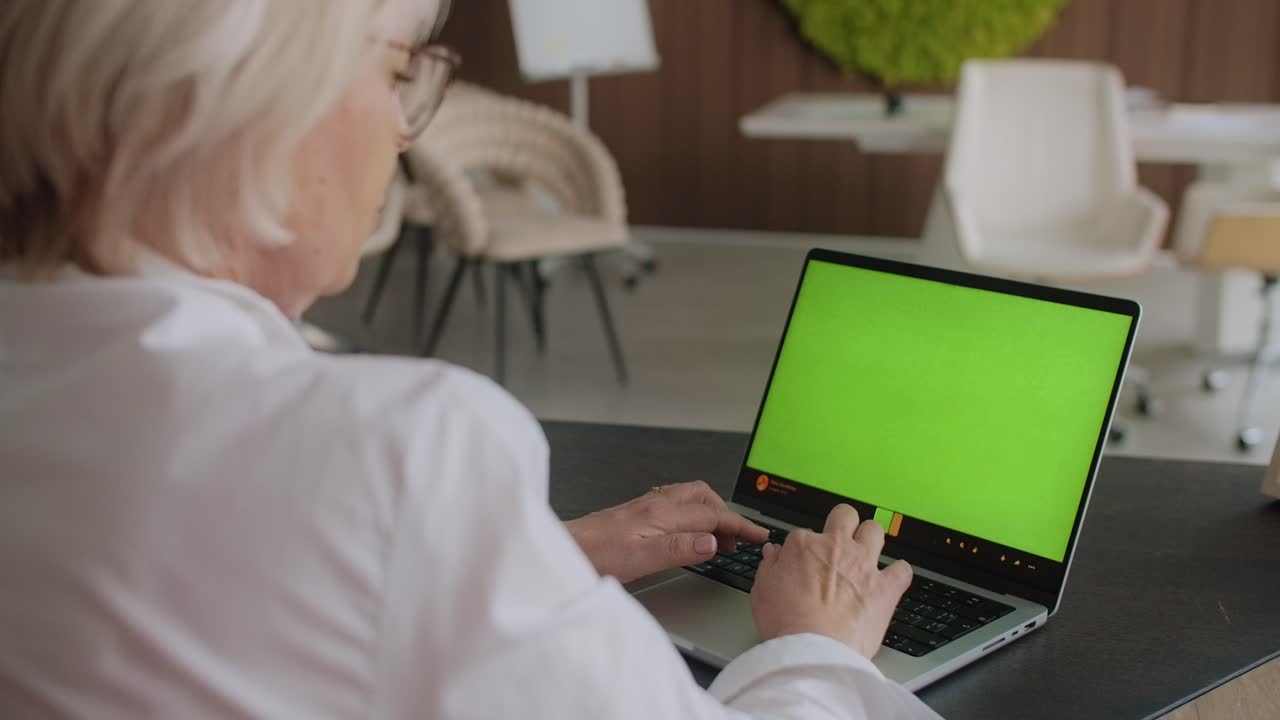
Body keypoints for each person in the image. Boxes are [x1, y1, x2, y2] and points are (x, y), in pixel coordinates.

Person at [0, 1, 940, 717]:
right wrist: (819, 648)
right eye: (396, 72)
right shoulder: (405, 448)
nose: (405, 128)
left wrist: (523, 564)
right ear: (255, 102)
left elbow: (218, 589)